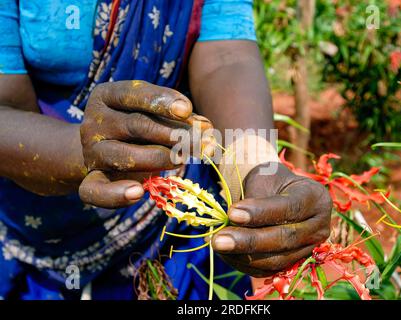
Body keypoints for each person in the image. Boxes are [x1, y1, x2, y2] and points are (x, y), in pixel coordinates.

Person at [0, 0, 332, 300]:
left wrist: (254, 165)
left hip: (178, 217)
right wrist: (82, 151)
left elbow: (226, 53)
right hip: (29, 228)